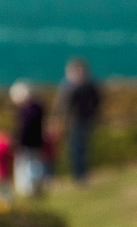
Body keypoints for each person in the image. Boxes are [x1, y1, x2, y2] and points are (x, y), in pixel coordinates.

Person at [54, 57, 103, 185]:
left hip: (83, 120)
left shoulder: (84, 85)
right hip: (73, 121)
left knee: (82, 148)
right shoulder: (70, 85)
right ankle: (77, 175)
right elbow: (62, 105)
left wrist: (94, 115)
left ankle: (81, 175)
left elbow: (96, 102)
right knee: (74, 148)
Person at [9, 81, 48, 197]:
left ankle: (28, 190)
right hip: (36, 141)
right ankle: (35, 187)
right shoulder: (38, 107)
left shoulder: (27, 110)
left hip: (26, 142)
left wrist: (17, 142)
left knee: (26, 166)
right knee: (34, 165)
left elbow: (23, 128)